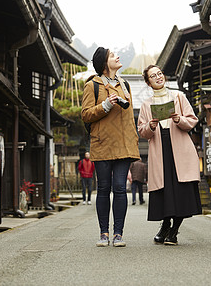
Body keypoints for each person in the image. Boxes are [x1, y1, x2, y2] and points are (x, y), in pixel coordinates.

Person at [81, 47, 140, 247]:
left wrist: (134, 141)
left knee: (121, 189)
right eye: (113, 55)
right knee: (104, 189)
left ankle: (118, 234)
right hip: (102, 143)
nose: (117, 57)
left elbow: (129, 118)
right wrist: (106, 105)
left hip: (124, 145)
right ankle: (104, 233)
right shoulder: (93, 85)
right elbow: (86, 114)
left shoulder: (125, 85)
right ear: (105, 63)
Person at [138, 64, 202, 246]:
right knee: (164, 190)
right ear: (148, 82)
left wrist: (178, 119)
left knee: (181, 191)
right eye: (153, 76)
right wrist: (150, 126)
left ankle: (173, 231)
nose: (158, 77)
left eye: (159, 74)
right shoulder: (146, 104)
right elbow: (142, 131)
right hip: (160, 148)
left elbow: (192, 120)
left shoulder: (178, 96)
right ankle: (165, 225)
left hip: (180, 148)